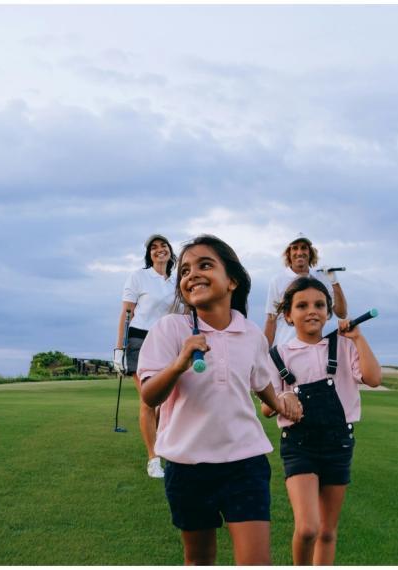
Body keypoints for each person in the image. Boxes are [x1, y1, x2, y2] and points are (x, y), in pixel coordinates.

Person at [137, 234, 302, 565]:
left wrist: (282, 399)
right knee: (199, 560)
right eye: (184, 271)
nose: (191, 274)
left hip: (245, 464)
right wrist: (179, 363)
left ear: (232, 282)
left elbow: (261, 385)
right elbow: (150, 393)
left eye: (205, 265)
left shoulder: (252, 334)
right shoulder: (170, 328)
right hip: (187, 468)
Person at [260, 276, 381, 565]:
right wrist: (284, 401)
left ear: (328, 311)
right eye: (302, 306)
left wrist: (358, 338)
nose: (312, 310)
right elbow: (267, 408)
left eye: (319, 305)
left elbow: (374, 378)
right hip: (299, 445)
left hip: (339, 444)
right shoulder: (278, 355)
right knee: (307, 528)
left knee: (327, 532)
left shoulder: (344, 346)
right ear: (288, 315)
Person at [114, 234, 177, 479]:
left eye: (163, 246)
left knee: (167, 401)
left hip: (167, 341)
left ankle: (163, 445)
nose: (159, 250)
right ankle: (153, 459)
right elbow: (126, 313)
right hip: (140, 339)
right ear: (149, 254)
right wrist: (119, 349)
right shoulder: (139, 276)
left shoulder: (176, 280)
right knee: (150, 400)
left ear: (170, 251)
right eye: (154, 248)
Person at [264, 233, 348, 347]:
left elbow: (342, 313)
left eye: (304, 248)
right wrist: (263, 353)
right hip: (284, 348)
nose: (299, 252)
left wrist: (334, 282)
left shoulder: (321, 277)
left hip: (314, 348)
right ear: (289, 253)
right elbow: (271, 320)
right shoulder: (277, 281)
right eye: (295, 248)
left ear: (310, 252)